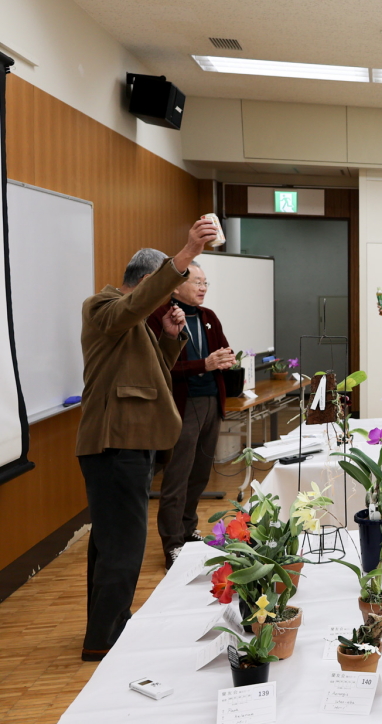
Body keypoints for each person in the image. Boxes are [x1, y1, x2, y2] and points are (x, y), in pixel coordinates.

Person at [76, 217, 218, 662]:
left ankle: (107, 624)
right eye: (163, 289)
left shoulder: (131, 320)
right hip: (114, 443)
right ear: (145, 282)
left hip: (127, 443)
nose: (167, 300)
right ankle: (105, 637)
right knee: (123, 545)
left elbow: (150, 368)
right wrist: (186, 254)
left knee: (111, 542)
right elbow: (132, 309)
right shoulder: (102, 305)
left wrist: (171, 338)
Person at [146, 261, 236, 569]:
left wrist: (226, 358)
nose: (202, 288)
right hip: (182, 406)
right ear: (175, 286)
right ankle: (172, 544)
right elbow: (161, 367)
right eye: (197, 282)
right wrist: (204, 365)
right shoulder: (160, 317)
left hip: (212, 401)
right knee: (178, 478)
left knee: (199, 475)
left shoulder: (208, 317)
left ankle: (187, 530)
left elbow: (221, 350)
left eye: (206, 283)